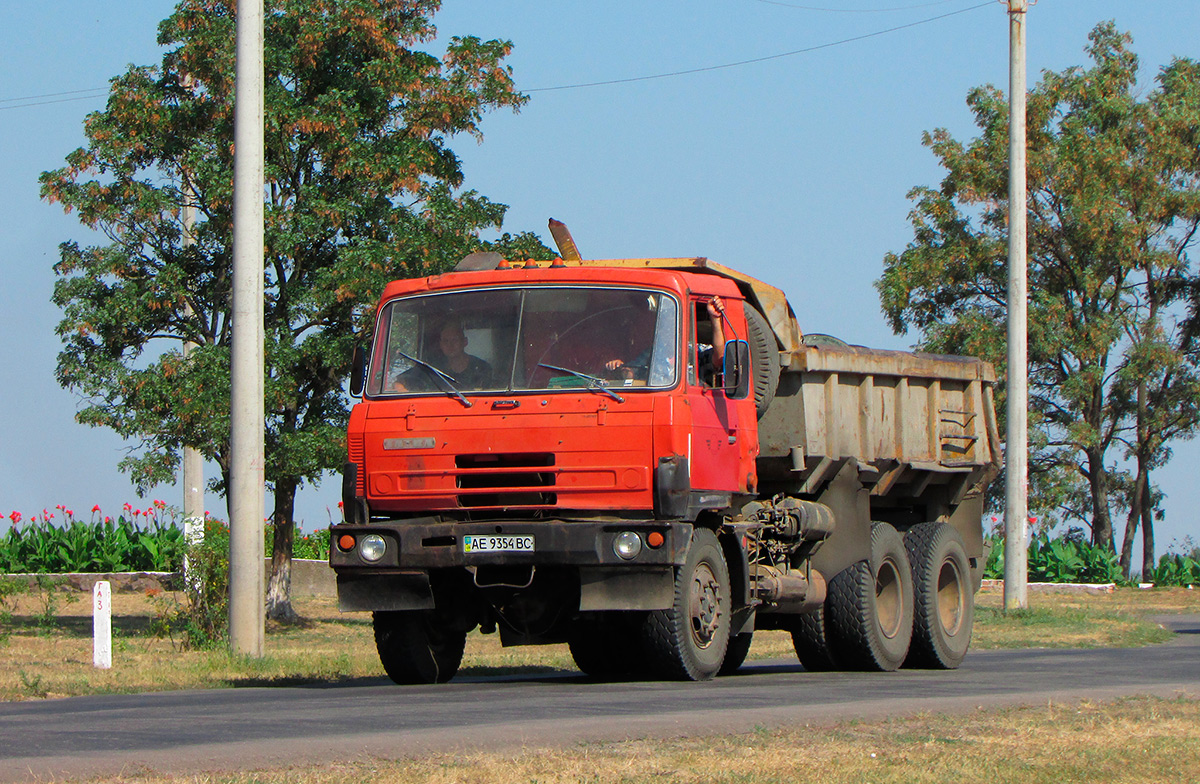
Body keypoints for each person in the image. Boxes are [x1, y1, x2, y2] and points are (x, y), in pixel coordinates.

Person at [392, 321, 493, 392]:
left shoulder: (481, 368)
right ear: (440, 345)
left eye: (455, 340)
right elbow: (400, 383)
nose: (450, 345)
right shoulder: (431, 369)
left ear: (465, 342)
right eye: (446, 341)